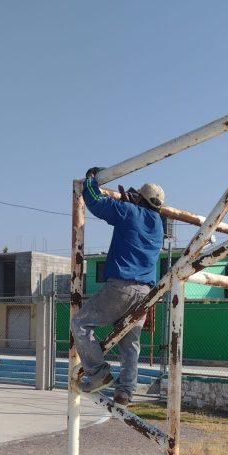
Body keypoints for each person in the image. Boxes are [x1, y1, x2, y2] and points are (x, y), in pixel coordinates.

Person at [72, 168, 165, 406]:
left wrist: (90, 180)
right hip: (146, 294)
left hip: (122, 287)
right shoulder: (159, 225)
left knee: (80, 323)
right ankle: (125, 392)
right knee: (130, 343)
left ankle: (98, 373)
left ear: (140, 199)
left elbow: (96, 202)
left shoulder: (129, 211)